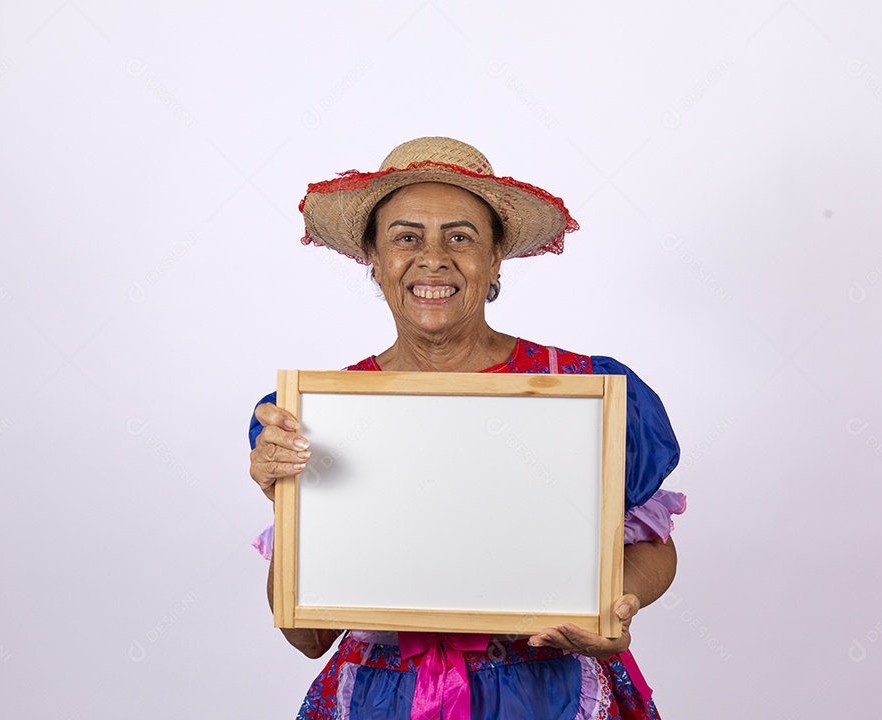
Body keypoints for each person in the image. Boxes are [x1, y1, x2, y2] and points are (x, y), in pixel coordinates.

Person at [249, 137, 686, 720]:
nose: (433, 258)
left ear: (495, 258)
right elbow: (308, 637)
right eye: (407, 237)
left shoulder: (579, 388)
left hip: (548, 693)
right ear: (373, 260)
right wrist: (290, 497)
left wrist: (614, 606)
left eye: (460, 236)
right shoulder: (326, 414)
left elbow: (653, 547)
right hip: (385, 701)